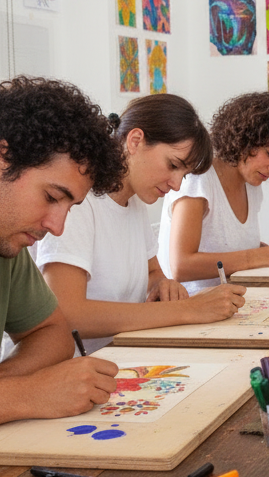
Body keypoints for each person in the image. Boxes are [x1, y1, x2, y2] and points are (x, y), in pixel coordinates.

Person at [34, 93, 246, 354]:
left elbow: (153, 273)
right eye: (173, 165)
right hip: (70, 370)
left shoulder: (133, 201)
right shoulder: (79, 202)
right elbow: (68, 313)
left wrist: (162, 285)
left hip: (122, 356)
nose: (177, 184)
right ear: (135, 141)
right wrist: (186, 309)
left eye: (184, 174)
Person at [0, 76, 125, 424]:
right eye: (52, 197)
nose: (57, 226)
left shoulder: (7, 244)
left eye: (69, 207)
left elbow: (52, 333)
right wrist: (25, 395)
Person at [158, 91, 269, 293]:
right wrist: (265, 256)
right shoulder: (199, 177)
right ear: (244, 139)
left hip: (232, 303)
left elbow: (230, 247)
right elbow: (181, 266)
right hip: (191, 306)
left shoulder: (251, 183)